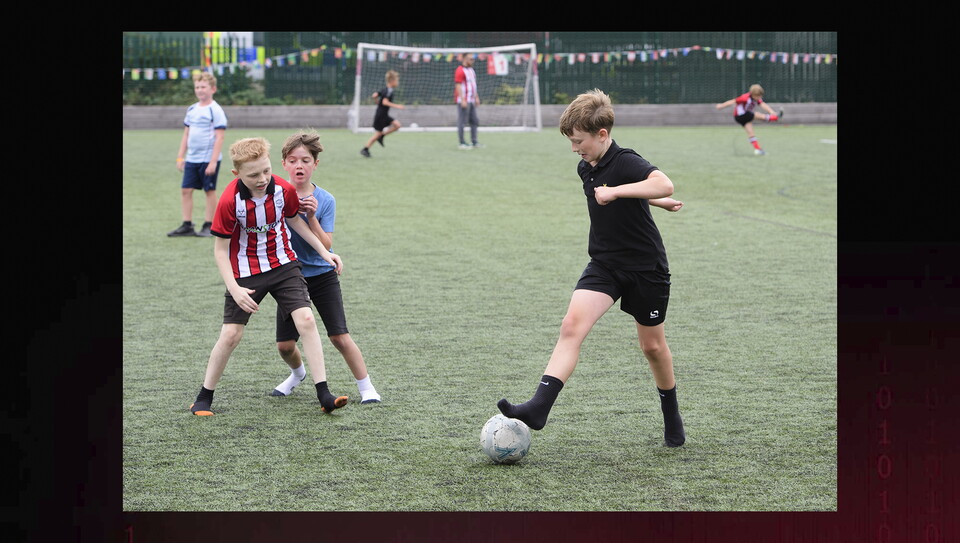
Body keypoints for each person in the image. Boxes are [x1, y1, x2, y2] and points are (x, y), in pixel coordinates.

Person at [497, 89, 686, 447]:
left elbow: (663, 182)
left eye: (579, 141)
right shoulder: (587, 166)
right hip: (604, 264)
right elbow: (643, 196)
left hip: (646, 268)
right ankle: (539, 407)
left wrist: (628, 193)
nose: (574, 149)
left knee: (652, 348)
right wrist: (656, 203)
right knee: (571, 326)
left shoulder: (626, 160)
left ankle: (671, 413)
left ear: (602, 135)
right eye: (570, 141)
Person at [190, 136, 348, 416]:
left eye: (266, 170)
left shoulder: (283, 189)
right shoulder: (229, 201)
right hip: (246, 271)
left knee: (307, 320)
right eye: (253, 175)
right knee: (230, 335)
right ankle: (204, 397)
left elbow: (295, 222)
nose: (263, 178)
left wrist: (326, 254)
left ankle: (323, 392)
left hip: (284, 265)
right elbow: (220, 251)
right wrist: (235, 289)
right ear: (237, 174)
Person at [274, 130, 382, 404]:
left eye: (306, 160)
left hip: (322, 275)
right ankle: (297, 374)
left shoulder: (326, 200)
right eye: (293, 160)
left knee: (339, 337)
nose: (300, 165)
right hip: (289, 277)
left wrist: (310, 216)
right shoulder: (275, 196)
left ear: (315, 164)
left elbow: (326, 243)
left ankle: (367, 388)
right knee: (285, 346)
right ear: (284, 163)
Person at [169, 72, 228, 237]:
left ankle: (209, 225)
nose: (200, 90)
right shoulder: (192, 109)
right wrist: (181, 157)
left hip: (208, 159)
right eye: (197, 87)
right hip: (192, 159)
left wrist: (213, 161)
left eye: (203, 87)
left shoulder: (215, 110)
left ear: (213, 89)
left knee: (209, 191)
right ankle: (187, 225)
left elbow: (220, 137)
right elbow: (186, 135)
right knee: (186, 190)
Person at [715, 83, 783, 155]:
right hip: (740, 115)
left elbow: (763, 104)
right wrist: (721, 106)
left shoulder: (756, 98)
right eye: (758, 96)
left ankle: (758, 149)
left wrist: (771, 111)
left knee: (751, 133)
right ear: (753, 94)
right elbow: (733, 101)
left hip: (743, 117)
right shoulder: (744, 98)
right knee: (757, 115)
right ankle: (776, 118)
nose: (759, 97)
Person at [361, 70, 405, 158]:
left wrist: (377, 102)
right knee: (378, 134)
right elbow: (385, 102)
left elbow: (374, 95)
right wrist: (398, 106)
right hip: (381, 115)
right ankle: (365, 149)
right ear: (392, 81)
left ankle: (381, 137)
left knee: (397, 125)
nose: (398, 82)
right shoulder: (388, 91)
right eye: (397, 80)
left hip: (383, 114)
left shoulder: (385, 89)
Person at [454, 54, 481, 149]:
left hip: (471, 100)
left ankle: (474, 141)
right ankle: (462, 143)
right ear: (465, 59)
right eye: (471, 59)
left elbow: (473, 85)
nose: (473, 61)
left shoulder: (471, 70)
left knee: (474, 121)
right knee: (462, 122)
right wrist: (462, 99)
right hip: (464, 100)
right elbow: (458, 86)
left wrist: (476, 97)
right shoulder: (460, 70)